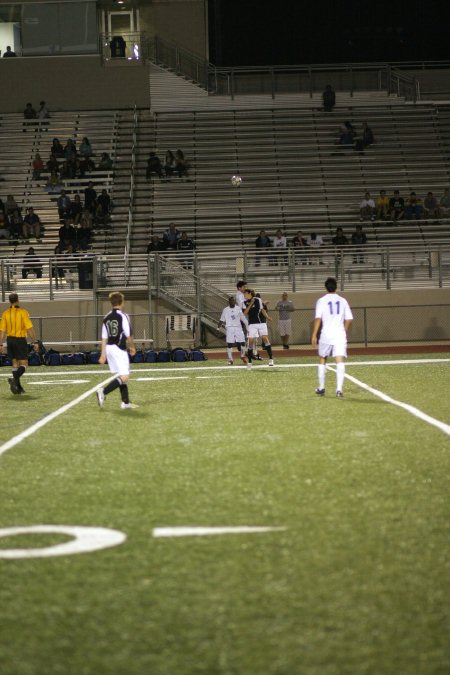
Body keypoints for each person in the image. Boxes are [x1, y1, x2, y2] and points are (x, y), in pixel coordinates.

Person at [311, 277, 353, 398]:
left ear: (326, 287)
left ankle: (321, 387)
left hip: (326, 335)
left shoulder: (321, 300)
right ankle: (339, 389)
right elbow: (349, 318)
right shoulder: (343, 300)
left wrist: (314, 334)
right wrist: (344, 330)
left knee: (323, 359)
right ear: (336, 287)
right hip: (339, 335)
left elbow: (318, 318)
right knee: (339, 360)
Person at [96, 291, 138, 410]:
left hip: (109, 348)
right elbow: (129, 334)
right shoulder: (123, 316)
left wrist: (103, 354)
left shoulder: (106, 317)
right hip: (119, 348)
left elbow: (104, 337)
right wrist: (133, 347)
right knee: (124, 376)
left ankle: (125, 402)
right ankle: (103, 391)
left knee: (121, 375)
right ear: (122, 302)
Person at [0, 292, 39, 395]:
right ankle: (14, 378)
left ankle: (18, 388)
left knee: (15, 363)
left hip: (10, 340)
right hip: (20, 340)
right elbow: (29, 328)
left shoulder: (5, 313)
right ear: (18, 300)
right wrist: (35, 341)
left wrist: (0, 344)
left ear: (9, 301)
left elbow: (2, 331)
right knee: (24, 364)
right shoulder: (23, 312)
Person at [243, 289, 274, 368]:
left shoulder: (258, 300)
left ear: (250, 293)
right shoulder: (245, 302)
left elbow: (262, 310)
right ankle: (249, 362)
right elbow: (245, 313)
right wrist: (251, 304)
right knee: (251, 341)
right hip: (252, 324)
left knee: (265, 339)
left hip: (261, 323)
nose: (244, 295)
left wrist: (267, 317)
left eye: (245, 293)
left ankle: (270, 359)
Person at [218, 296, 248, 366]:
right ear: (229, 302)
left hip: (238, 328)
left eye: (233, 301)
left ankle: (242, 356)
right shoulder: (225, 310)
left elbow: (242, 317)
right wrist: (218, 328)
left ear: (235, 301)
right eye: (231, 301)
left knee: (243, 342)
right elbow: (221, 319)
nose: (232, 302)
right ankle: (230, 360)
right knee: (229, 344)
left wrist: (247, 325)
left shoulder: (238, 308)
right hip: (229, 328)